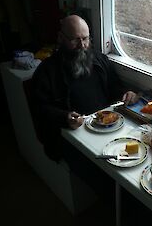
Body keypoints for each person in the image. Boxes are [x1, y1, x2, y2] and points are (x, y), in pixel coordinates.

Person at [32, 14, 138, 162]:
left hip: (108, 127)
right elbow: (40, 108)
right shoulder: (46, 71)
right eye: (75, 39)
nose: (82, 45)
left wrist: (126, 93)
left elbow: (115, 86)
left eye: (85, 39)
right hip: (73, 135)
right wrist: (64, 117)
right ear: (61, 38)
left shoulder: (99, 60)